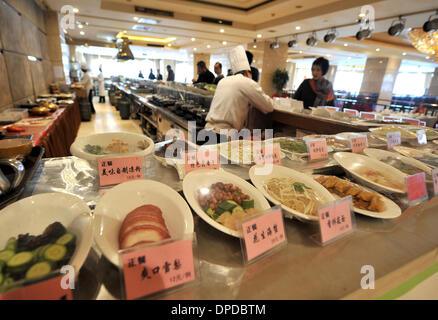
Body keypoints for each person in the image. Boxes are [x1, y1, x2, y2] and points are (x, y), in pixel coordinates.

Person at [204, 45, 274, 137]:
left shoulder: (223, 81)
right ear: (247, 72)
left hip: (207, 130)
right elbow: (268, 106)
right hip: (224, 134)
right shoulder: (247, 82)